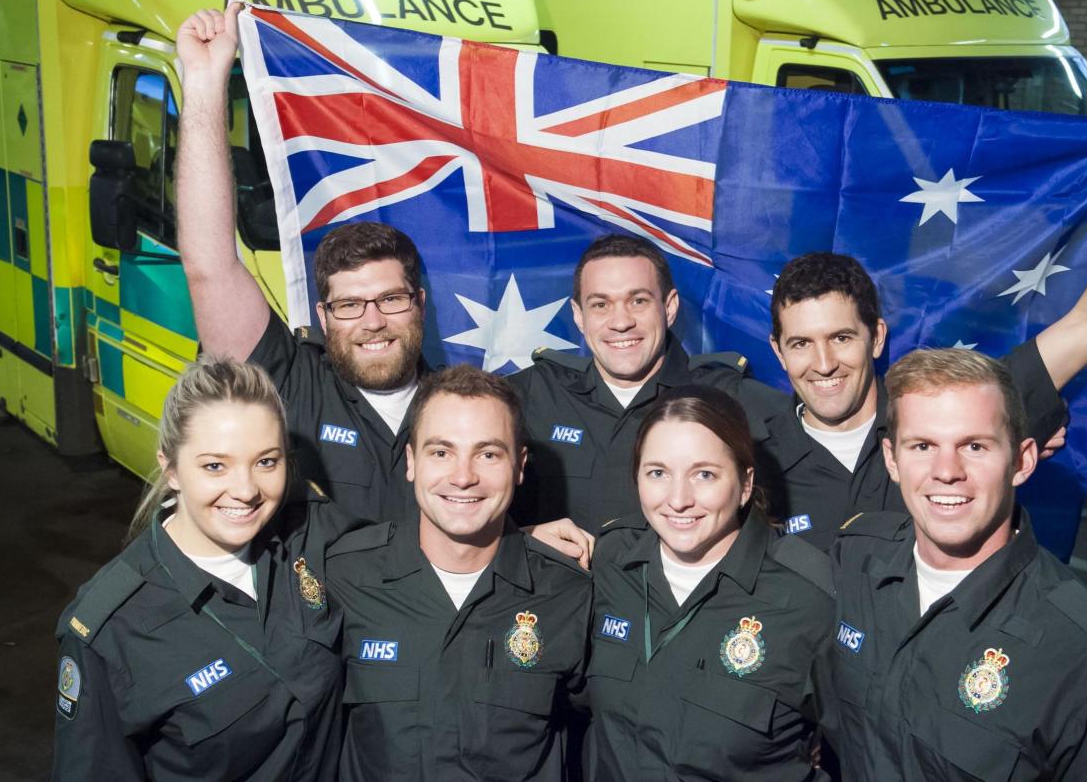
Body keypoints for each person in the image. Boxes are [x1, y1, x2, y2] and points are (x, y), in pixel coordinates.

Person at [176, 4, 590, 562]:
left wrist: (522, 543)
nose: (372, 321)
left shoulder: (466, 408)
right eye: (349, 305)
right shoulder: (290, 383)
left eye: (390, 299)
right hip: (312, 644)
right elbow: (209, 265)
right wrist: (203, 84)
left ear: (419, 303)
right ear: (322, 318)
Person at [760, 111, 1087, 551]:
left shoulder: (957, 413)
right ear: (778, 352)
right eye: (801, 343)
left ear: (876, 337)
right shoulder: (749, 457)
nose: (823, 364)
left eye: (842, 338)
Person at [822, 348, 1087, 780]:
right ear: (892, 458)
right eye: (923, 445)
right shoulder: (855, 559)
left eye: (975, 446)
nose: (946, 471)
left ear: (1021, 461)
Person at [52, 357, 354, 780]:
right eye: (215, 466)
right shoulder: (111, 629)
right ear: (171, 468)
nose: (246, 490)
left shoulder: (309, 530)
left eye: (266, 461)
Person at [326, 365, 592, 780]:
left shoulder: (570, 594)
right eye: (441, 452)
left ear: (519, 466)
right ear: (412, 461)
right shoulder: (342, 577)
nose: (464, 477)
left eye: (488, 454)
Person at [585, 385, 832, 781]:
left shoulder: (809, 597)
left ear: (745, 484)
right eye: (658, 473)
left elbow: (871, 748)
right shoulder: (611, 564)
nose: (679, 499)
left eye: (704, 474)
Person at [509, 234, 786, 534]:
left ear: (669, 307)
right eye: (601, 304)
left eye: (638, 301)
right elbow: (460, 491)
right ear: (579, 316)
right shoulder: (531, 394)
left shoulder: (728, 399)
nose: (620, 322)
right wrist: (519, 539)